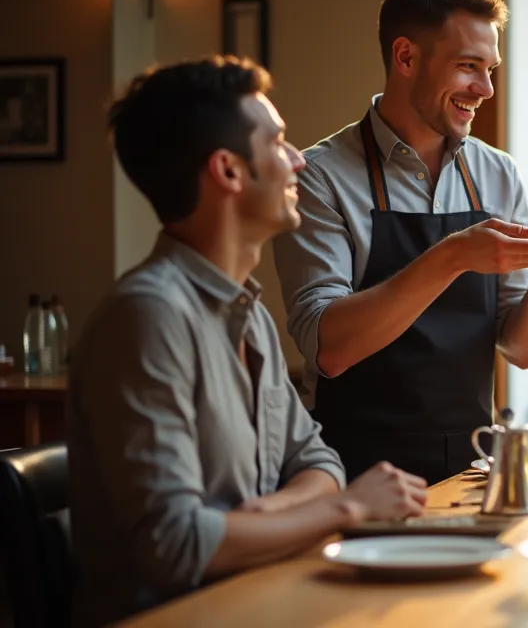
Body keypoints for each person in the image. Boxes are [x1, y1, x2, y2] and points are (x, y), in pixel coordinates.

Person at [68, 56, 429, 627]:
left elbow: (318, 461)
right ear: (229, 172)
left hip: (264, 601)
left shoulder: (251, 313)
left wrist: (264, 513)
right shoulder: (147, 319)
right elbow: (176, 546)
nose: (298, 159)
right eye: (279, 142)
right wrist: (351, 507)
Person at [272, 0, 528, 484]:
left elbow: (522, 347)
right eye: (468, 66)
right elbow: (329, 346)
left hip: (470, 472)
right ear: (405, 57)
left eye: (491, 69)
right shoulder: (320, 178)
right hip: (354, 474)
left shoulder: (497, 172)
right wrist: (454, 255)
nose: (485, 88)